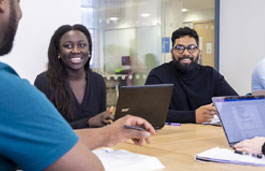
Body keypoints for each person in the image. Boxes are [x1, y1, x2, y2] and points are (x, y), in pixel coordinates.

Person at [0, 0, 155, 170]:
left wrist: (110, 130)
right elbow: (85, 164)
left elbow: (47, 139)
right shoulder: (12, 90)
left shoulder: (96, 81)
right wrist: (104, 131)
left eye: (81, 45)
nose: (20, 13)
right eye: (18, 2)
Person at [145, 27, 238, 124]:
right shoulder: (158, 75)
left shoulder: (210, 74)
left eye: (191, 48)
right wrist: (193, 116)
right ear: (172, 52)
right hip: (173, 136)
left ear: (198, 52)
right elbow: (150, 113)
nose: (186, 53)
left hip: (205, 134)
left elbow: (235, 103)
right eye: (179, 48)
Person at [34, 24, 113, 129]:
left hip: (95, 145)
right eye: (68, 46)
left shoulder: (98, 81)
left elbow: (102, 126)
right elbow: (45, 129)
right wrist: (89, 122)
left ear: (89, 50)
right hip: (62, 145)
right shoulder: (44, 82)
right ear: (58, 51)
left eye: (81, 45)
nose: (75, 50)